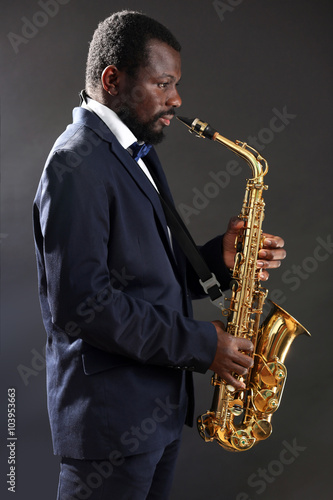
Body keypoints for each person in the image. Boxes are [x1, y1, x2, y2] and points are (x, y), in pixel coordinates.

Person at [33, 10, 286, 500]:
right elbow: (83, 306)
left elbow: (146, 278)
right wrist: (200, 344)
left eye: (176, 84)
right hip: (110, 429)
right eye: (163, 83)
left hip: (155, 419)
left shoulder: (130, 152)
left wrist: (221, 260)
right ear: (113, 80)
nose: (177, 99)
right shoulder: (76, 164)